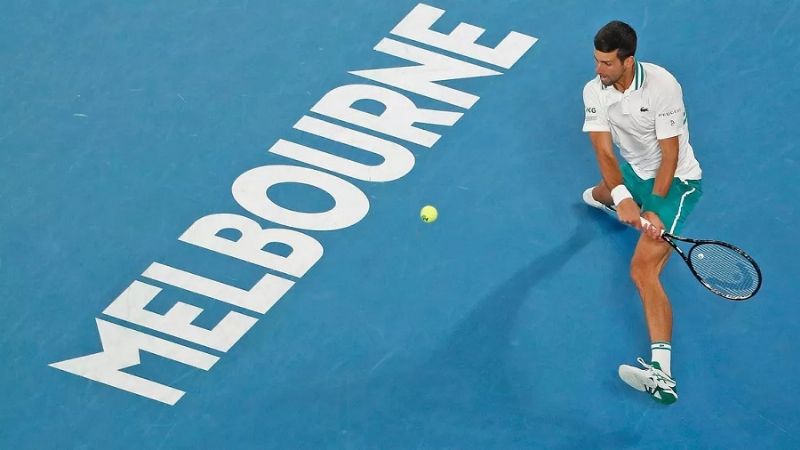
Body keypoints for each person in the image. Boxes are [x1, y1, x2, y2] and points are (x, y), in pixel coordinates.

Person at [581, 20, 703, 404]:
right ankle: (607, 200)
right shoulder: (594, 89)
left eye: (606, 64)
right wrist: (621, 196)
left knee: (642, 270)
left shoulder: (663, 85)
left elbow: (669, 156)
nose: (599, 70)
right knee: (603, 193)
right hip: (633, 174)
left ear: (628, 61)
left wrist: (650, 209)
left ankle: (662, 375)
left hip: (674, 183)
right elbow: (603, 150)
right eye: (597, 61)